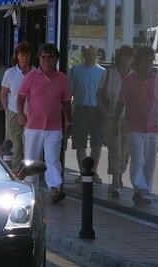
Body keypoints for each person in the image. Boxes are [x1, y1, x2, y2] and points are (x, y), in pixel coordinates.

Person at [114, 46, 158, 205]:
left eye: (151, 61)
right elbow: (120, 103)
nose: (149, 64)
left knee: (150, 162)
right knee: (138, 160)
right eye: (146, 60)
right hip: (134, 128)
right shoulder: (129, 80)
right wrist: (115, 122)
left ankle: (143, 191)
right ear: (137, 62)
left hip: (153, 128)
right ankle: (141, 189)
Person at [17, 43, 72, 204]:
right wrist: (21, 114)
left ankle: (55, 188)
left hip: (54, 127)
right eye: (43, 57)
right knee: (31, 159)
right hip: (33, 126)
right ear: (39, 58)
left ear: (56, 59)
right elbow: (20, 98)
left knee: (53, 159)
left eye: (50, 57)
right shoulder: (31, 77)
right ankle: (30, 190)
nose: (46, 61)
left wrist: (69, 122)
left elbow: (66, 102)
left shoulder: (62, 78)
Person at [97, 44, 134, 198]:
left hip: (129, 119)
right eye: (123, 57)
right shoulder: (108, 74)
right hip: (111, 118)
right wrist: (103, 111)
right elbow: (99, 94)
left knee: (125, 152)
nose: (126, 60)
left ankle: (118, 176)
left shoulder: (134, 76)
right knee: (115, 149)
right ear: (118, 58)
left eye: (129, 57)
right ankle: (116, 183)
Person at [68, 44, 106, 184]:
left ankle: (93, 172)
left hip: (96, 110)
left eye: (93, 54)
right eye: (89, 54)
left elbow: (104, 94)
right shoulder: (76, 70)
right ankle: (83, 172)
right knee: (80, 144)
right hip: (80, 109)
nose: (91, 56)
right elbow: (70, 92)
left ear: (97, 55)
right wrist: (69, 114)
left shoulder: (102, 72)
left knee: (97, 143)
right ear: (84, 55)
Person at [1, 41, 35, 172]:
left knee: (29, 144)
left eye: (27, 55)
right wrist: (7, 110)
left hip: (31, 114)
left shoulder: (35, 72)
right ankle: (14, 172)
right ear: (17, 56)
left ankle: (29, 172)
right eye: (22, 55)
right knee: (14, 145)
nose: (25, 58)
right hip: (13, 112)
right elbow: (4, 94)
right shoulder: (10, 73)